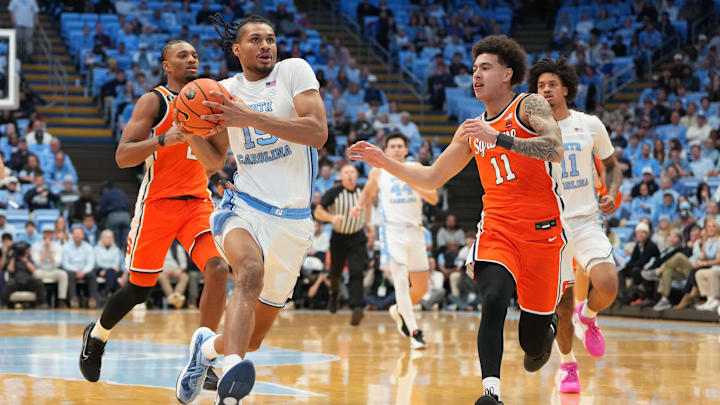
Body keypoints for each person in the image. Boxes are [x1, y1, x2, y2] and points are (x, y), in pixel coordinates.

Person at [348, 35, 569, 405]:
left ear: (507, 74)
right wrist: (384, 162)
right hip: (497, 229)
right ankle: (490, 393)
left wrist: (499, 138)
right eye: (473, 69)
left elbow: (555, 149)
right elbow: (433, 177)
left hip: (542, 234)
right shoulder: (469, 130)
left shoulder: (527, 105)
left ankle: (545, 326)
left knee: (532, 345)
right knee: (494, 296)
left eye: (485, 68)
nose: (476, 75)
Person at [174, 14, 327, 405]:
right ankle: (230, 387)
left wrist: (250, 117)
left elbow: (316, 132)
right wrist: (191, 133)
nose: (266, 46)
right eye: (256, 40)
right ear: (237, 49)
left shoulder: (294, 71)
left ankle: (206, 352)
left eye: (271, 39)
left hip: (293, 222)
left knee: (253, 339)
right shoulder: (221, 90)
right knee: (249, 271)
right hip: (245, 207)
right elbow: (214, 161)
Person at [78, 40, 230, 389]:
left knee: (219, 270)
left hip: (197, 202)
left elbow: (217, 162)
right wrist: (166, 139)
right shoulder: (154, 101)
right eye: (182, 55)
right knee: (138, 290)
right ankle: (97, 336)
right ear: (166, 65)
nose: (191, 59)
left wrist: (195, 139)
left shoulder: (210, 101)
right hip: (157, 204)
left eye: (194, 55)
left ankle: (202, 360)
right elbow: (123, 156)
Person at [528, 57, 621, 394]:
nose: (546, 90)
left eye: (552, 84)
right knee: (561, 306)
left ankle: (590, 315)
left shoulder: (589, 124)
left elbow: (612, 165)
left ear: (565, 88)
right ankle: (568, 367)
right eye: (540, 86)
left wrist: (610, 192)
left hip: (585, 221)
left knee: (608, 285)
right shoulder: (531, 131)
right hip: (550, 227)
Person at [350, 132, 438, 349]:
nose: (397, 149)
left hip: (416, 231)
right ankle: (414, 331)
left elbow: (434, 198)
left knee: (421, 288)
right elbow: (368, 191)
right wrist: (359, 206)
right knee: (400, 280)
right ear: (386, 150)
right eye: (393, 146)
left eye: (400, 146)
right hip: (392, 232)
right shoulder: (378, 170)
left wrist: (412, 180)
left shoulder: (417, 169)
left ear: (407, 150)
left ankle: (398, 310)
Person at [314, 164, 371, 325]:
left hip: (357, 237)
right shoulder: (334, 192)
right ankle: (334, 295)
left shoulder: (362, 192)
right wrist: (332, 218)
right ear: (341, 176)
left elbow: (368, 206)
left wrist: (369, 225)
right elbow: (318, 212)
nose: (350, 175)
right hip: (339, 237)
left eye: (352, 172)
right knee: (336, 272)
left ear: (357, 174)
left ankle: (356, 307)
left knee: (357, 270)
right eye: (346, 172)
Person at [31, 224, 68, 308]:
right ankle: (39, 301)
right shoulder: (36, 245)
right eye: (46, 233)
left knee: (63, 275)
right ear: (43, 234)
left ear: (53, 234)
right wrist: (45, 250)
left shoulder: (57, 246)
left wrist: (50, 251)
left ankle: (61, 301)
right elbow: (37, 263)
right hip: (41, 270)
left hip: (53, 270)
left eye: (50, 233)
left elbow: (57, 263)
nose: (48, 235)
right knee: (35, 274)